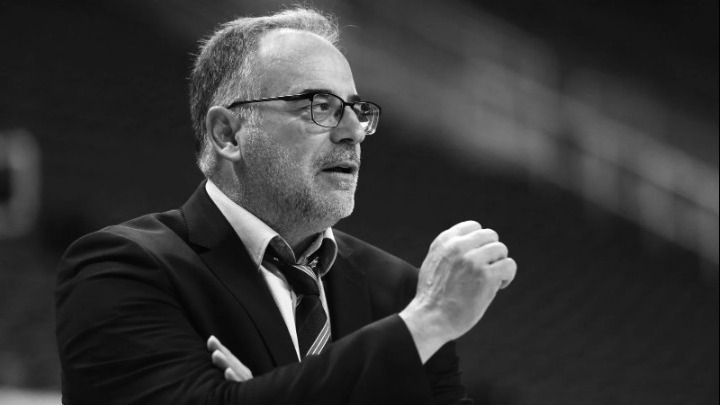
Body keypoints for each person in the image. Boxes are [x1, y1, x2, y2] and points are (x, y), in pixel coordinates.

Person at [55, 7, 516, 405]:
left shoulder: (398, 290)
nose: (352, 132)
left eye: (357, 111)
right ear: (228, 134)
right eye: (320, 106)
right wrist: (427, 322)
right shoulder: (122, 268)